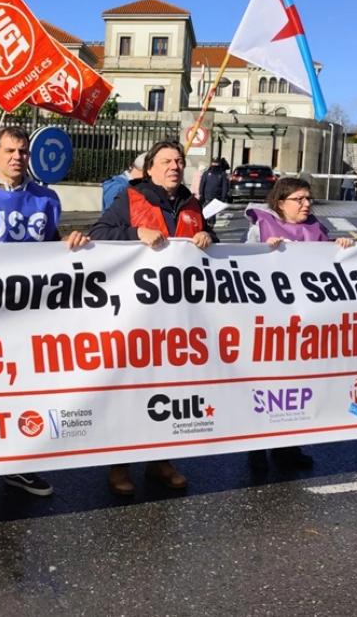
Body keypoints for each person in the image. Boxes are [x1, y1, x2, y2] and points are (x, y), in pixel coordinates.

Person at [0, 126, 89, 507]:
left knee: (23, 393)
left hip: (28, 314)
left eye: (22, 151)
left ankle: (17, 463)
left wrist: (72, 242)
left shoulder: (45, 198)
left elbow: (53, 246)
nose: (16, 157)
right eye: (9, 150)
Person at [89, 140, 215, 494]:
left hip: (179, 317)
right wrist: (135, 233)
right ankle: (118, 465)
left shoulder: (192, 204)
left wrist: (209, 234)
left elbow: (205, 248)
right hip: (136, 315)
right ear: (151, 169)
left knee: (170, 391)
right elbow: (100, 234)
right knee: (129, 390)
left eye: (179, 160)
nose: (174, 166)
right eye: (166, 161)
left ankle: (161, 460)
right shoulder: (131, 198)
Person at [244, 177, 354, 472]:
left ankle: (288, 447)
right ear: (281, 203)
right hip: (270, 322)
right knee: (266, 386)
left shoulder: (316, 228)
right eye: (299, 199)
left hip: (303, 322)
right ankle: (255, 449)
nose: (307, 204)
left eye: (308, 199)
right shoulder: (261, 227)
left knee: (296, 387)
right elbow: (242, 268)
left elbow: (329, 264)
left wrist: (341, 246)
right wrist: (262, 251)